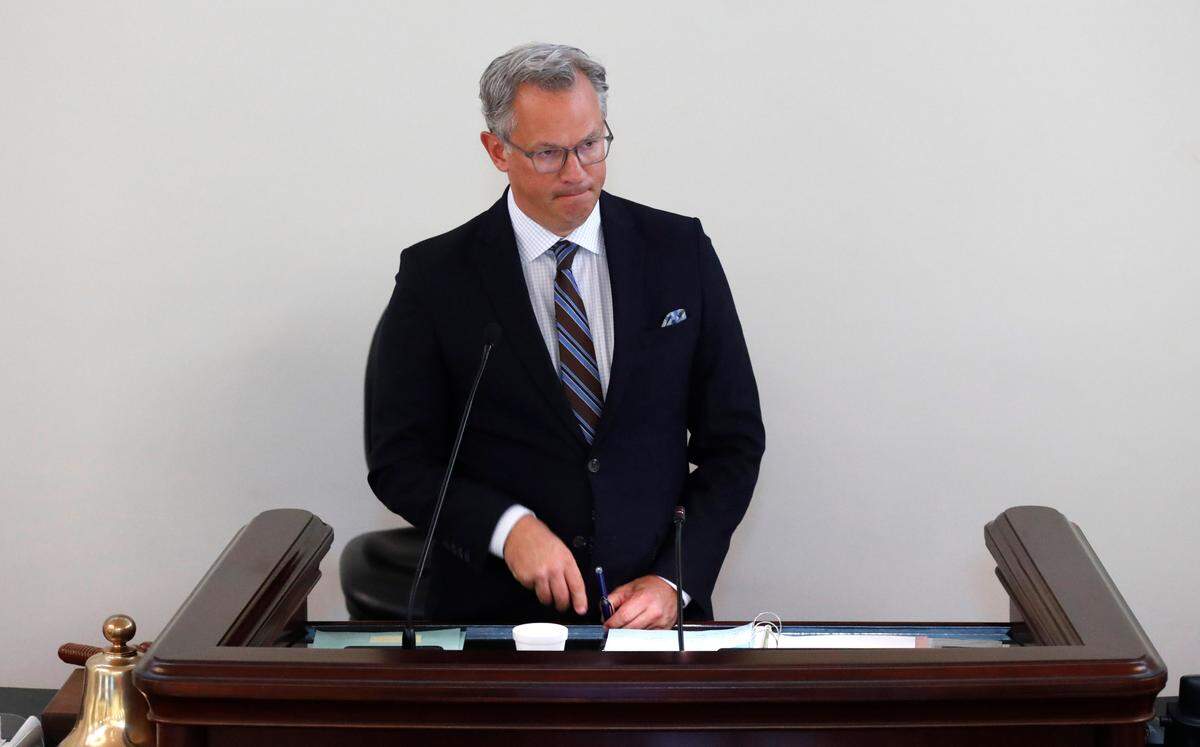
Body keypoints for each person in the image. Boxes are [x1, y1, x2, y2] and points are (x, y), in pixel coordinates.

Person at [367, 42, 764, 629]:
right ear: (497, 150)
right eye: (549, 153)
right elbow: (400, 461)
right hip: (498, 623)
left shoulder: (679, 252)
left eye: (590, 145)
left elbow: (734, 443)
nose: (577, 172)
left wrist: (675, 579)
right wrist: (508, 529)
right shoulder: (437, 277)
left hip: (654, 618)